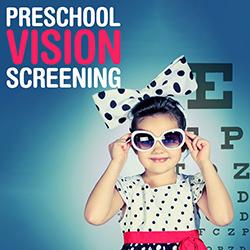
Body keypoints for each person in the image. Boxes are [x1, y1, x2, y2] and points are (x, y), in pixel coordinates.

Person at [85, 56, 234, 250]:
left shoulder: (193, 186)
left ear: (183, 143)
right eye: (145, 139)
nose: (158, 149)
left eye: (170, 138)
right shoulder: (128, 188)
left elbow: (223, 218)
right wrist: (116, 163)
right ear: (132, 144)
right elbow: (94, 217)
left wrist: (205, 163)